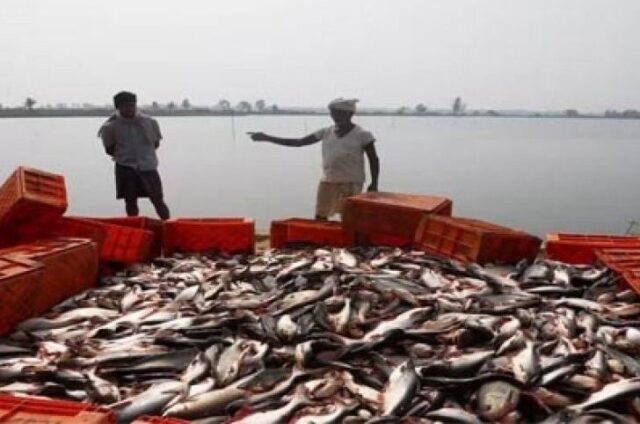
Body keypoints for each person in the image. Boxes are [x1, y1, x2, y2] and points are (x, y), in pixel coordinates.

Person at [249, 98, 380, 220]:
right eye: (333, 113)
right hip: (328, 180)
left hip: (351, 182)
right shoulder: (326, 132)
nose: (335, 116)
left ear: (350, 114)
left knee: (349, 216)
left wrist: (374, 182)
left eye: (340, 113)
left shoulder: (362, 135)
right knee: (320, 214)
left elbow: (373, 159)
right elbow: (299, 142)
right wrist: (267, 138)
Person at [98, 91, 171, 220]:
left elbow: (156, 143)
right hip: (125, 167)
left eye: (132, 105)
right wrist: (126, 156)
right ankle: (134, 225)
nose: (129, 109)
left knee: (158, 199)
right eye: (125, 106)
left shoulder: (150, 122)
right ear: (118, 108)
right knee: (130, 201)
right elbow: (109, 149)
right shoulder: (110, 127)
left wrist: (144, 155)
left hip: (148, 166)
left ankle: (168, 224)